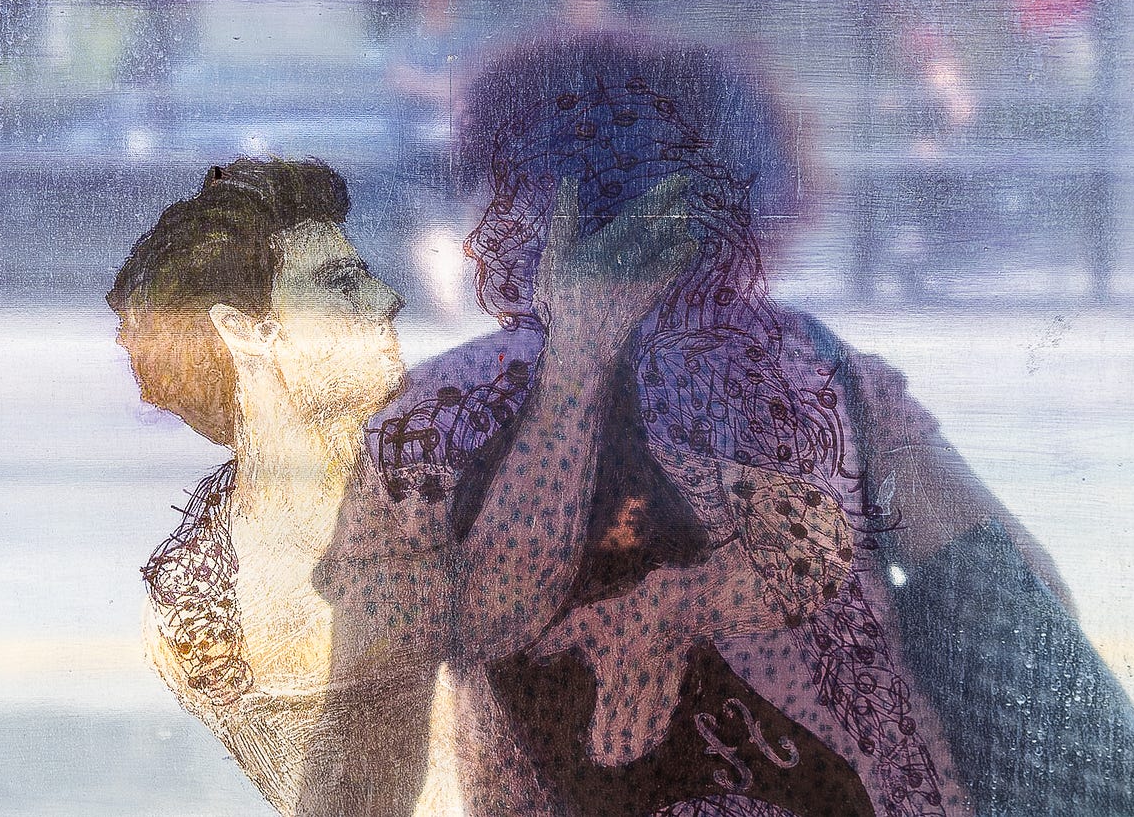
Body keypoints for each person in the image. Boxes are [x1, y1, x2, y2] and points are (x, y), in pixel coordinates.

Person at [370, 31, 1134, 817]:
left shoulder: (437, 416)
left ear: (528, 205)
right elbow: (1023, 590)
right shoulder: (820, 370)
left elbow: (368, 742)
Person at [107, 156, 702, 816]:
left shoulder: (405, 487)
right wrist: (577, 355)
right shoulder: (205, 590)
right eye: (340, 284)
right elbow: (484, 611)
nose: (386, 298)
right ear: (246, 330)